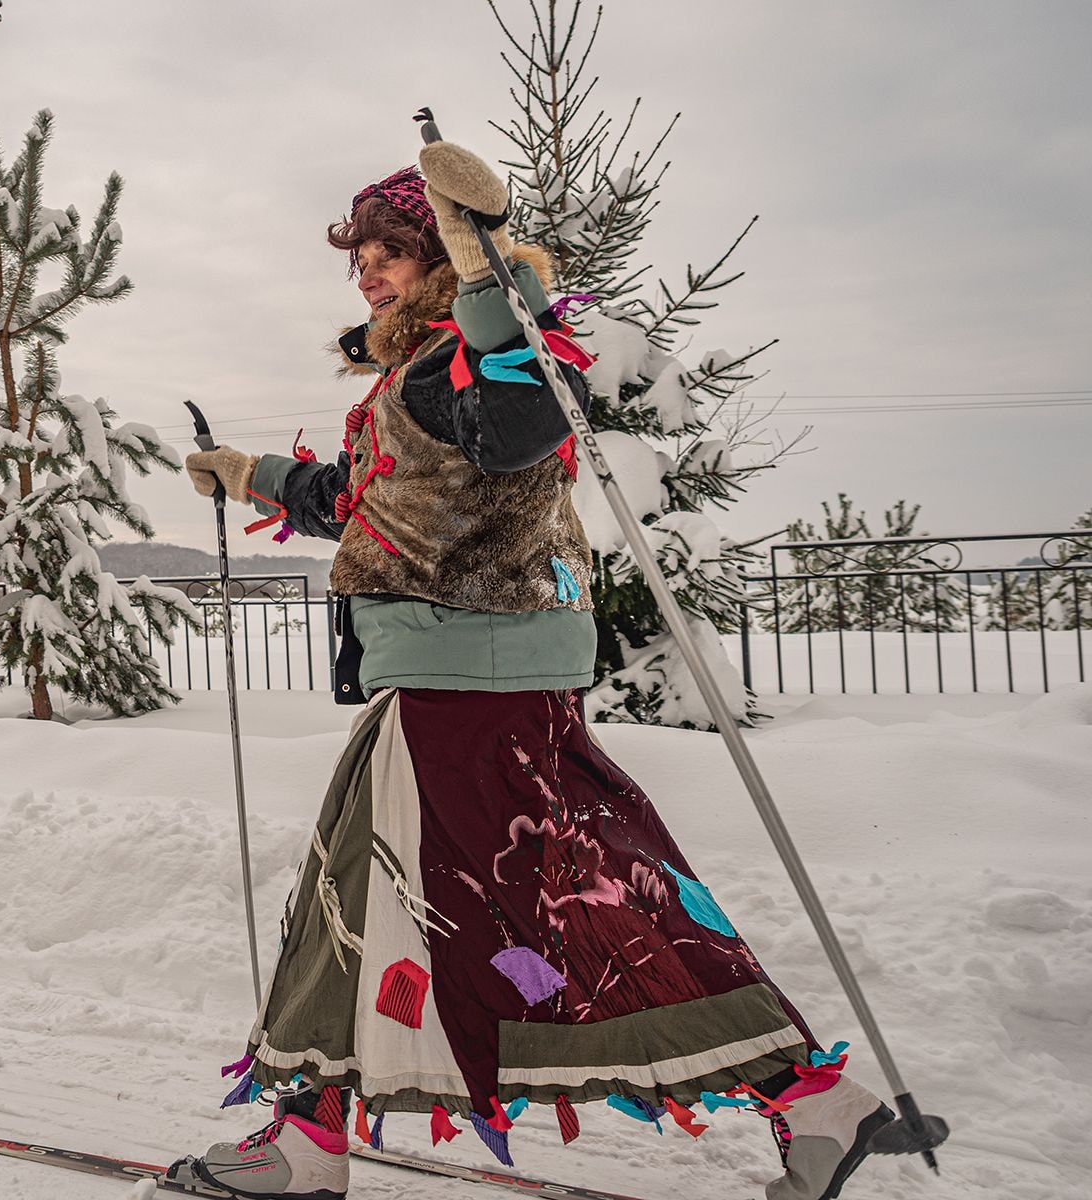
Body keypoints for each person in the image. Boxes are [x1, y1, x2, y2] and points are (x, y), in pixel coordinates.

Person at [168, 142, 904, 1200]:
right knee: (564, 897)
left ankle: (307, 1145)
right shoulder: (418, 375)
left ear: (443, 254)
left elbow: (521, 420)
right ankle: (810, 1100)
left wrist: (489, 271)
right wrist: (255, 474)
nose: (367, 271)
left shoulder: (477, 358)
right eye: (360, 256)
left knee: (429, 900)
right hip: (476, 675)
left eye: (392, 251)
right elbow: (378, 504)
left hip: (461, 683)